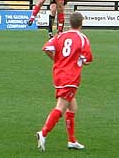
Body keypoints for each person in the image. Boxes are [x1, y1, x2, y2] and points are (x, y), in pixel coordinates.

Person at [36, 12, 93, 152]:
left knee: (72, 107)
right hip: (71, 78)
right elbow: (87, 60)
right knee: (61, 107)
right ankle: (43, 133)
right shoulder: (82, 38)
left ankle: (72, 140)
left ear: (70, 23)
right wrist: (79, 60)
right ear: (81, 23)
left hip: (59, 75)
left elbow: (46, 48)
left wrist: (57, 60)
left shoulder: (61, 35)